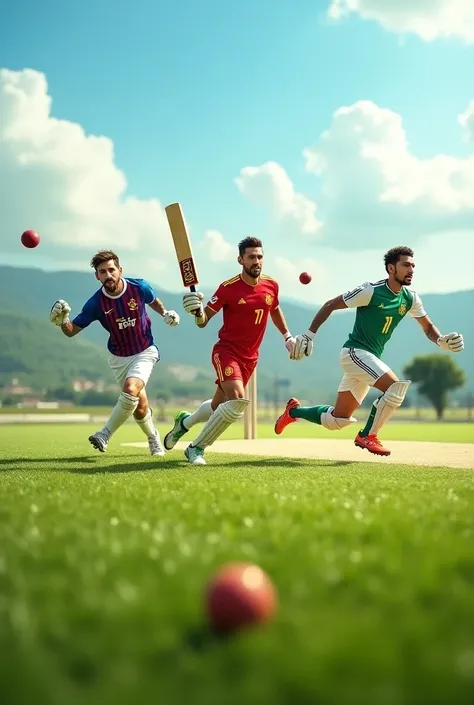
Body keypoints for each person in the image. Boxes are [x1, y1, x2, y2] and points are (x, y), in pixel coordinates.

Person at [274, 246, 464, 456]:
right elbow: (330, 304)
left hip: (368, 359)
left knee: (338, 419)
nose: (411, 270)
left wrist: (441, 340)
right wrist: (309, 334)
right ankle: (367, 436)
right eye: (406, 265)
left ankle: (293, 411)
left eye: (413, 266)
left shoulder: (410, 298)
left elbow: (428, 327)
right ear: (391, 268)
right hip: (354, 353)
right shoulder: (370, 291)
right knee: (395, 387)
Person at [163, 237, 295, 465]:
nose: (257, 261)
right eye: (252, 257)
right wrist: (196, 311)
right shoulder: (228, 288)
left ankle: (184, 423)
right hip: (226, 352)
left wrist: (287, 336)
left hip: (250, 359)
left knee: (217, 408)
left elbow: (274, 309)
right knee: (237, 400)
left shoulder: (271, 285)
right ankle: (196, 448)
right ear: (240, 259)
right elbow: (203, 321)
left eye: (260, 257)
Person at [49, 250, 180, 456]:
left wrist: (165, 313)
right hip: (119, 358)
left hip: (145, 349)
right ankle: (153, 437)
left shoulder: (139, 287)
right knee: (139, 406)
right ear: (97, 276)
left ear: (120, 270)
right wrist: (62, 322)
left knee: (130, 389)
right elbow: (71, 331)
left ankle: (105, 434)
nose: (108, 275)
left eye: (111, 270)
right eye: (103, 272)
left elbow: (153, 300)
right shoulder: (95, 304)